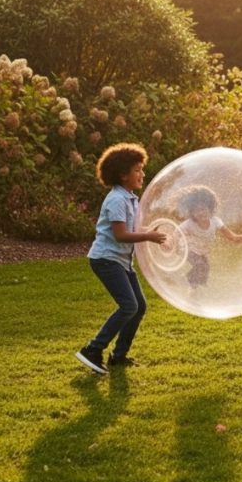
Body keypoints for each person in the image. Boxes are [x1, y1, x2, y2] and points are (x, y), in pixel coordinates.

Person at [75, 143, 166, 375]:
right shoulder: (117, 199)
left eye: (141, 169)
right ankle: (92, 349)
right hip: (106, 259)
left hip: (121, 261)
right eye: (137, 170)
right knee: (128, 306)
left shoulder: (130, 199)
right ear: (123, 174)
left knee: (139, 307)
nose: (142, 174)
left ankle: (119, 355)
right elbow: (120, 234)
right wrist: (148, 236)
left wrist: (151, 230)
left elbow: (131, 228)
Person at [177, 185, 242, 289]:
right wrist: (169, 242)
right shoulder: (189, 224)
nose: (201, 212)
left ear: (210, 209)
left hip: (201, 251)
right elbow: (176, 232)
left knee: (206, 267)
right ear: (192, 213)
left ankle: (198, 286)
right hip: (187, 249)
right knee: (200, 265)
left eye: (203, 209)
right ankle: (190, 282)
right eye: (196, 210)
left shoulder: (215, 221)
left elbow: (230, 235)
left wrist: (239, 238)